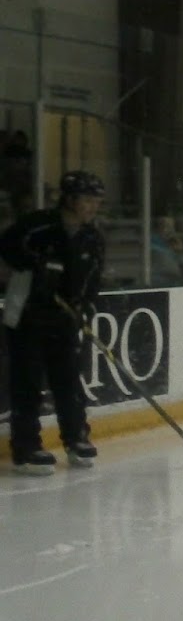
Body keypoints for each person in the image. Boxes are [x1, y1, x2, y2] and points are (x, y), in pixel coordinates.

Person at [0, 170, 106, 472]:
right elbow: (7, 247)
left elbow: (92, 280)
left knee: (68, 380)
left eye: (96, 201)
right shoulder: (37, 225)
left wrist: (85, 307)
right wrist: (36, 267)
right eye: (87, 200)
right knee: (28, 382)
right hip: (27, 315)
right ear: (69, 199)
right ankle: (26, 448)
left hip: (64, 318)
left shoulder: (92, 238)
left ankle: (76, 438)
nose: (93, 206)